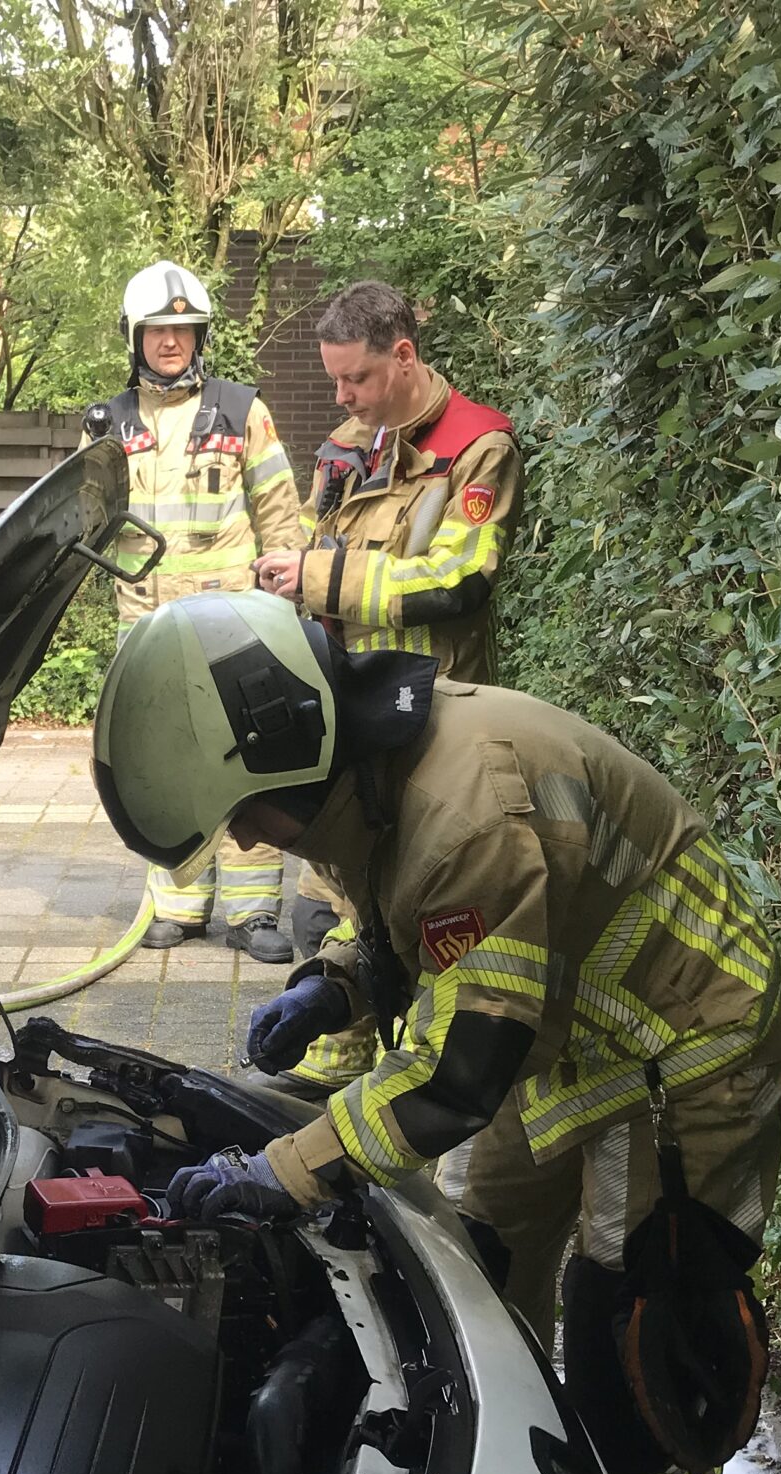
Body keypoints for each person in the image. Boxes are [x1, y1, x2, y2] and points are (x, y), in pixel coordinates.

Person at [90, 590, 781, 1474]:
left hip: (675, 1056)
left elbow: (452, 1082)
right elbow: (416, 937)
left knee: (634, 1357)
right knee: (479, 1290)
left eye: (241, 814)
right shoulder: (375, 767)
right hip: (562, 1046)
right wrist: (332, 988)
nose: (239, 839)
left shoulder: (464, 809)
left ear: (293, 763)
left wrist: (280, 1171)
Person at [254, 279, 528, 1089]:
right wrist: (281, 579)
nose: (342, 398)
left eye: (356, 380)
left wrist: (319, 578)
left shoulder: (480, 448)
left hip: (430, 724)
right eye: (334, 379)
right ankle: (336, 1084)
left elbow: (459, 580)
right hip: (345, 715)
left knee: (412, 919)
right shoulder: (347, 443)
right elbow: (313, 545)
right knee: (325, 908)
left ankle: (416, 1095)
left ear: (403, 356)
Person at [81, 260, 307, 964]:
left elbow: (279, 511)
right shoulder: (107, 422)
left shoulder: (243, 411)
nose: (171, 341)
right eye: (158, 329)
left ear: (199, 334)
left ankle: (251, 912)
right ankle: (177, 903)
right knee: (164, 762)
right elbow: (85, 523)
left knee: (249, 756)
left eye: (183, 328)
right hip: (145, 627)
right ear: (136, 337)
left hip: (234, 624)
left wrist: (290, 598)